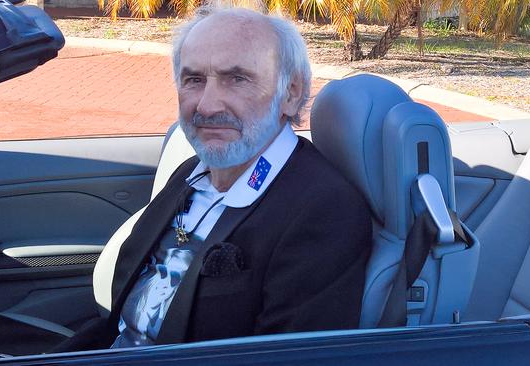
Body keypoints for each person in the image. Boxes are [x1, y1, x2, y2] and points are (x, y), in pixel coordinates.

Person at [98, 6, 372, 348]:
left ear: (291, 93)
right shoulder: (192, 173)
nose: (207, 106)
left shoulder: (324, 211)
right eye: (194, 80)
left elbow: (286, 358)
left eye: (237, 79)